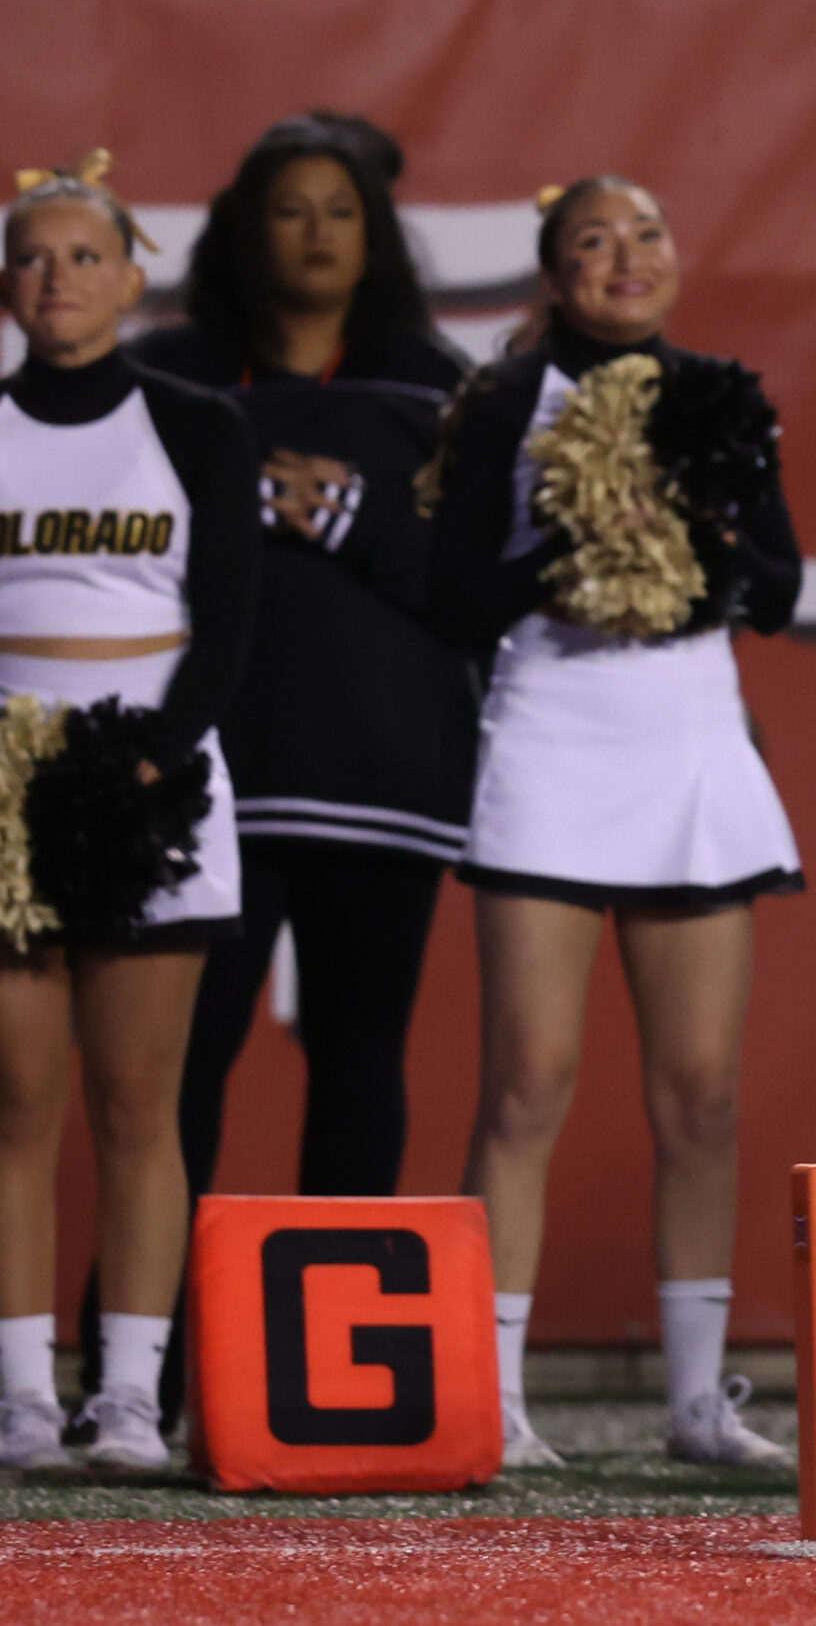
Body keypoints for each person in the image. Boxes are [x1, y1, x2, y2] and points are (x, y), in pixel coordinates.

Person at [72, 113, 476, 1429]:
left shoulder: (437, 384)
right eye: (287, 209)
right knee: (179, 1070)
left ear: (376, 238)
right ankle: (143, 1375)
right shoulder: (167, 380)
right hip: (196, 777)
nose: (313, 233)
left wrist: (349, 516)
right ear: (238, 232)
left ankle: (332, 1375)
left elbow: (485, 585)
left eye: (339, 210)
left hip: (379, 773)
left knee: (360, 1056)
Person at [425, 175, 803, 1470]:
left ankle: (699, 1404)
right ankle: (496, 1392)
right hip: (549, 738)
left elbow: (781, 588)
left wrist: (700, 528)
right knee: (527, 1083)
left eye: (647, 230)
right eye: (593, 240)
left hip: (690, 739)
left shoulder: (718, 395)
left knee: (700, 1095)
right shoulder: (502, 405)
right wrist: (572, 540)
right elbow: (456, 597)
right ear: (553, 273)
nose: (625, 256)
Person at [0, 156, 260, 1470]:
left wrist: (154, 757)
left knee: (137, 1106)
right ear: (6, 282)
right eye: (34, 258)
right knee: (14, 1103)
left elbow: (230, 621)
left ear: (133, 276)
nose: (59, 279)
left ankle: (125, 1398)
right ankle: (23, 1400)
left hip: (150, 776)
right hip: (4, 781)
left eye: (85, 256)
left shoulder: (197, 422)